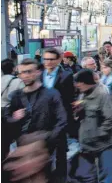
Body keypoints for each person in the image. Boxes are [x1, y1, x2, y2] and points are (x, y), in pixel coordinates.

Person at [4, 58, 67, 181]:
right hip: (23, 146)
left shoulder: (51, 94)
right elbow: (7, 120)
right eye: (22, 72)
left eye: (29, 72)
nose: (25, 76)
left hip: (45, 146)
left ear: (38, 72)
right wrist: (14, 118)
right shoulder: (16, 96)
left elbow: (62, 120)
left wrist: (48, 140)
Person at [73, 69, 112, 183]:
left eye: (79, 83)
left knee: (106, 176)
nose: (77, 86)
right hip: (86, 142)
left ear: (86, 82)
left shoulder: (103, 94)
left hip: (103, 143)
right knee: (87, 176)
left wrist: (99, 133)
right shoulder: (82, 93)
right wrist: (78, 111)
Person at [41, 48, 75, 181]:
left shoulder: (66, 75)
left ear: (58, 60)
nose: (48, 62)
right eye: (45, 59)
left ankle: (61, 178)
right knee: (44, 152)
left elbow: (68, 99)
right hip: (42, 119)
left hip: (59, 120)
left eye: (51, 59)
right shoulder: (39, 75)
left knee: (60, 152)